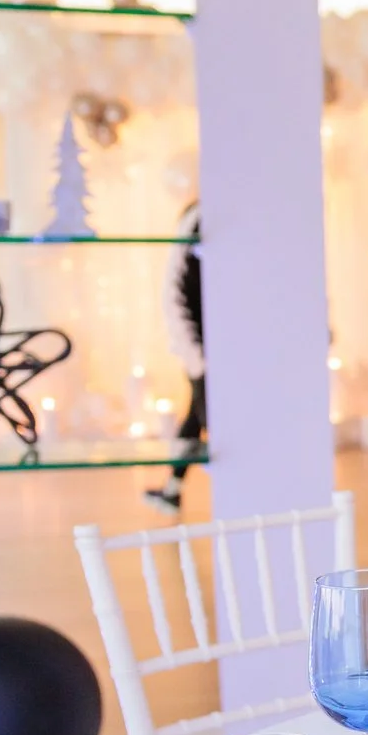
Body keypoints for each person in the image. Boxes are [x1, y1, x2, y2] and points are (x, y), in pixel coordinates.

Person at [144, 200, 203, 514]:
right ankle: (172, 489)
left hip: (204, 346)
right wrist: (195, 351)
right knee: (202, 418)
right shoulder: (201, 218)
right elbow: (181, 289)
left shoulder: (202, 215)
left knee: (196, 418)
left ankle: (172, 489)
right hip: (202, 347)